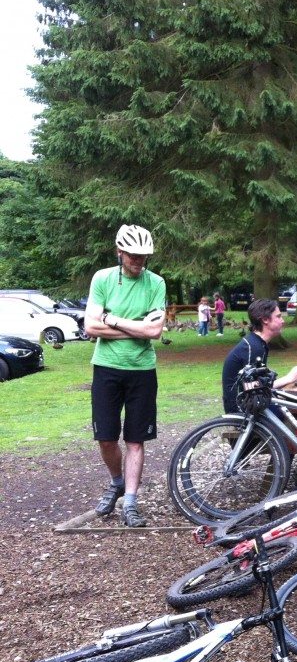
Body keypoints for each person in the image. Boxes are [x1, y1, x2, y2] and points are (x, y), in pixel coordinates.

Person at [84, 224, 167, 528]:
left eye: (144, 256)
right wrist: (135, 328)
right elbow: (90, 328)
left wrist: (111, 319)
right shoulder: (102, 279)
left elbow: (154, 331)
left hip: (142, 370)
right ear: (119, 252)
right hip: (106, 367)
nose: (139, 261)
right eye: (133, 255)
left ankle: (130, 501)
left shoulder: (156, 283)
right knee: (105, 438)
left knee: (135, 439)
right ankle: (116, 482)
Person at [221, 299, 297, 414]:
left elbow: (259, 383)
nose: (282, 321)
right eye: (278, 316)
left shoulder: (258, 344)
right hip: (241, 409)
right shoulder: (253, 347)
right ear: (265, 320)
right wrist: (288, 378)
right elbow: (252, 388)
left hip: (251, 402)